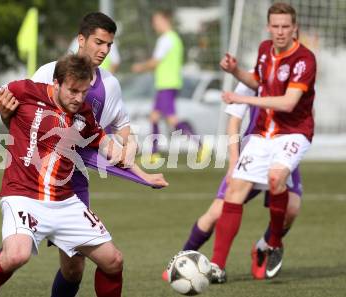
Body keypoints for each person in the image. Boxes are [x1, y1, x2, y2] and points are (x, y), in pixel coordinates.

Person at [0, 54, 162, 297]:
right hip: (22, 196)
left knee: (113, 261)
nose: (78, 98)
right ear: (57, 83)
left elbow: (107, 147)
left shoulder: (84, 112)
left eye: (84, 92)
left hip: (64, 201)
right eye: (73, 91)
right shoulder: (25, 90)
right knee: (16, 255)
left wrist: (144, 175)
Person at [0, 12, 168, 297]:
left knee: (74, 268)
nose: (104, 50)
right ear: (81, 40)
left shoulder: (110, 84)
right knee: (19, 251)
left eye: (109, 45)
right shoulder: (48, 73)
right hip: (36, 179)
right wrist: (5, 116)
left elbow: (122, 126)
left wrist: (129, 146)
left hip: (74, 182)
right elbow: (20, 122)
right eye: (99, 42)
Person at [209, 2, 316, 283]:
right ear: (269, 27)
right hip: (262, 133)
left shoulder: (305, 59)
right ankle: (217, 266)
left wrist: (242, 98)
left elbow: (288, 102)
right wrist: (235, 72)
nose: (280, 32)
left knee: (276, 177)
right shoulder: (264, 50)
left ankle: (273, 243)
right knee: (234, 190)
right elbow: (257, 81)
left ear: (295, 28)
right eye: (276, 26)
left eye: (286, 27)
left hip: (293, 132)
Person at [166, 82, 302, 282]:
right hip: (253, 150)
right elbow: (234, 122)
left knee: (291, 210)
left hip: (283, 152)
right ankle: (181, 260)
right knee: (215, 212)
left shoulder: (296, 78)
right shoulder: (251, 78)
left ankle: (262, 249)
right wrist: (233, 162)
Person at [131, 9, 186, 161]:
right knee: (154, 117)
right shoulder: (175, 38)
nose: (154, 26)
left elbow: (155, 62)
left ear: (164, 20)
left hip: (167, 84)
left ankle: (201, 146)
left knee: (172, 120)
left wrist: (140, 67)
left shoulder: (166, 39)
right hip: (169, 83)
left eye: (156, 22)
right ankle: (154, 153)